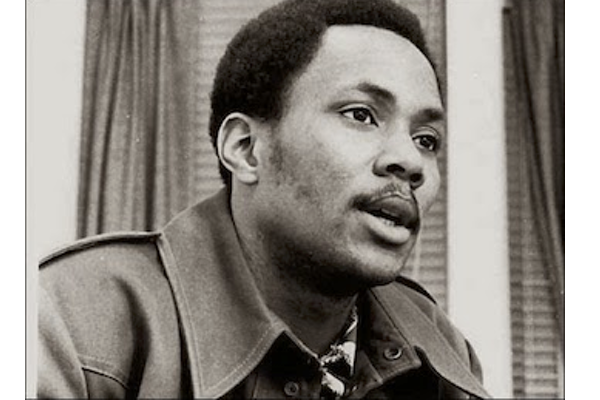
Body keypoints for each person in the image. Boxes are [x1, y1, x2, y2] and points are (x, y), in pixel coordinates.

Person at [38, 0, 491, 398]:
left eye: (426, 140)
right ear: (245, 149)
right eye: (361, 114)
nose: (410, 161)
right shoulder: (68, 319)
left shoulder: (443, 351)